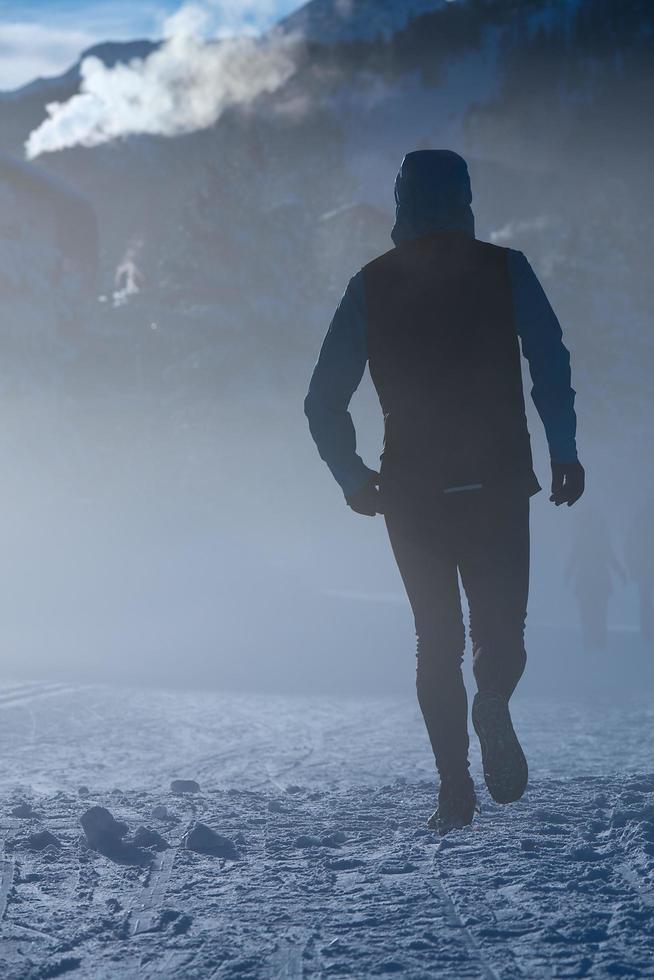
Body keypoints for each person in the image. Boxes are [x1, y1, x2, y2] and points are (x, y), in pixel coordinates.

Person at [304, 150, 584, 834]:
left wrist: (352, 476)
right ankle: (493, 698)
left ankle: (454, 790)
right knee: (501, 631)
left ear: (402, 204)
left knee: (436, 642)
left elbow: (322, 401)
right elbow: (549, 358)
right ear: (464, 199)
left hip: (410, 491)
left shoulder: (370, 284)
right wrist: (564, 449)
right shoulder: (505, 270)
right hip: (496, 480)